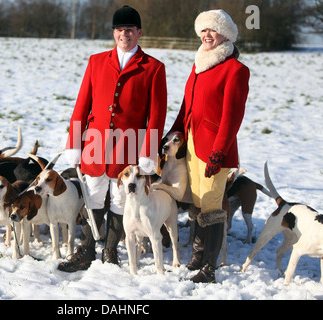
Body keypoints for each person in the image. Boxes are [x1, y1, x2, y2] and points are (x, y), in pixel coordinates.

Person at [59, 5, 168, 272]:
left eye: (129, 30)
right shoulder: (96, 61)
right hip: (95, 143)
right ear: (114, 33)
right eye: (119, 30)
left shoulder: (153, 67)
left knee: (121, 198)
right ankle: (85, 251)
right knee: (93, 195)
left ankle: (111, 251)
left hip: (130, 145)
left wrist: (148, 151)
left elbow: (157, 115)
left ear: (139, 32)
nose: (124, 34)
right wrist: (74, 141)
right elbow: (82, 104)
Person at [166, 9, 250, 283]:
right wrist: (173, 132)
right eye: (203, 30)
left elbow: (232, 117)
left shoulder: (236, 70)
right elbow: (186, 105)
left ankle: (210, 267)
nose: (206, 35)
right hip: (192, 146)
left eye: (212, 30)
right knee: (199, 205)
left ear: (225, 34)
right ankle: (197, 257)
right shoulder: (199, 65)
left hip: (216, 151)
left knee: (213, 208)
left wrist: (219, 152)